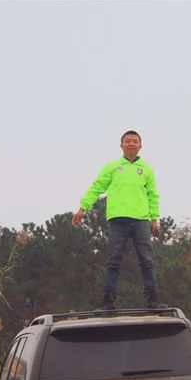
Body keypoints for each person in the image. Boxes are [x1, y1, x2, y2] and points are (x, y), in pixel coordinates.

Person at [72, 131, 166, 310]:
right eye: (128, 141)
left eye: (135, 141)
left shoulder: (146, 169)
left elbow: (153, 195)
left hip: (140, 220)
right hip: (117, 220)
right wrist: (83, 208)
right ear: (121, 145)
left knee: (146, 260)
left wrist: (154, 219)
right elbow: (97, 187)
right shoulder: (113, 167)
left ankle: (152, 298)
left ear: (140, 145)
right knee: (113, 260)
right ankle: (108, 300)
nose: (131, 144)